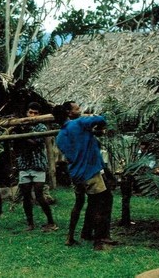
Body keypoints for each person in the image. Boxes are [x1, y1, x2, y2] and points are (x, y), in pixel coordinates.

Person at [54, 101, 114, 251]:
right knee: (101, 204)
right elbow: (102, 119)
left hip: (75, 175)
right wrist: (95, 123)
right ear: (68, 113)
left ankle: (73, 236)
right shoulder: (80, 123)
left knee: (80, 205)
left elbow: (75, 148)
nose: (80, 110)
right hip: (90, 172)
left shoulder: (60, 137)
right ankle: (99, 242)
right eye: (77, 108)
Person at [14, 102, 57, 232]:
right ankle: (30, 223)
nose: (32, 115)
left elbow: (35, 143)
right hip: (24, 165)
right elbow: (16, 145)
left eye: (35, 113)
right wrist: (19, 132)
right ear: (27, 113)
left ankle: (50, 221)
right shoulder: (20, 125)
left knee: (39, 195)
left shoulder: (41, 127)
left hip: (38, 165)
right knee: (26, 196)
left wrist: (22, 133)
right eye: (30, 112)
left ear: (40, 115)